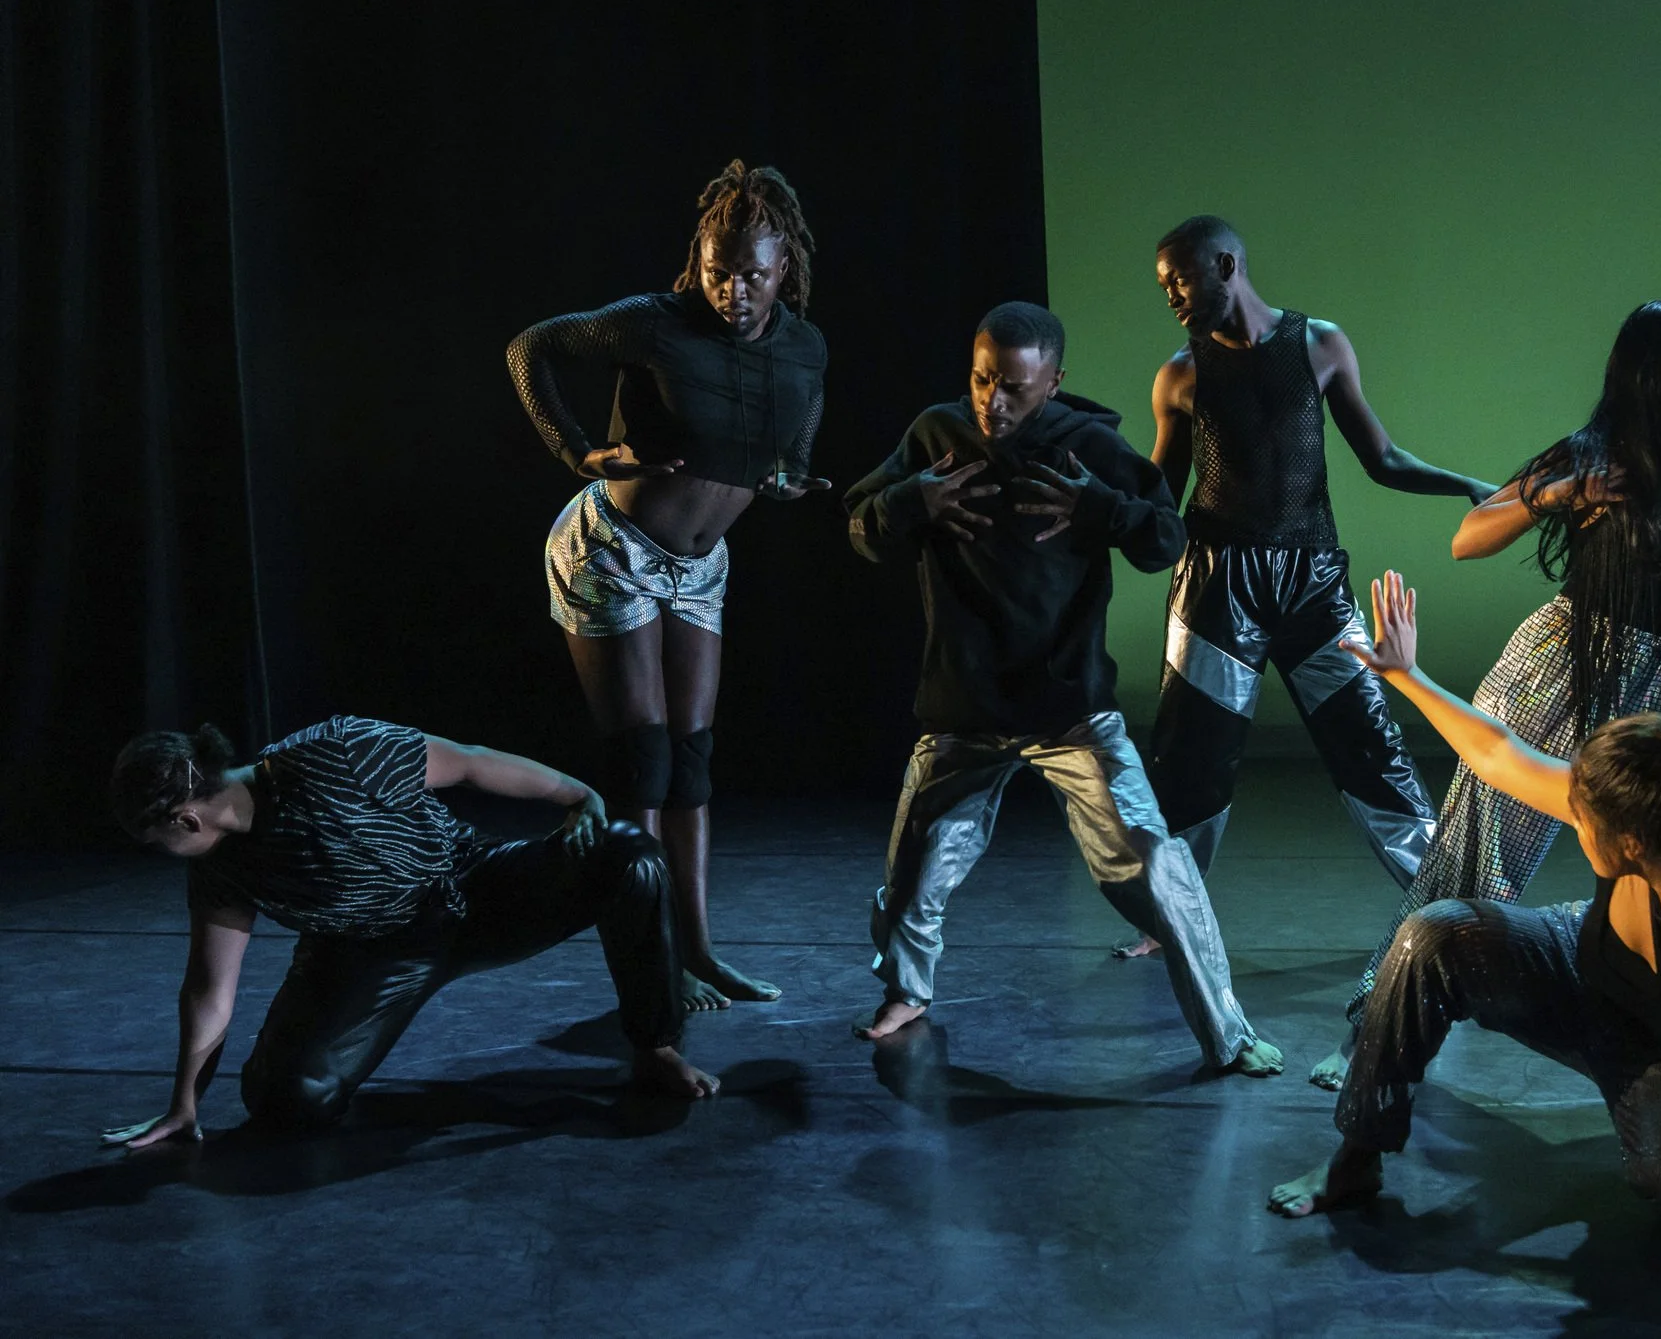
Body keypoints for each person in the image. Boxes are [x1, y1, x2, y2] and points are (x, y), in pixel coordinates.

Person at [1269, 573, 1661, 1304]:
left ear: (1629, 842)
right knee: (1432, 934)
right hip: (1588, 970)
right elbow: (1498, 752)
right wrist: (1407, 675)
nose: (1574, 821)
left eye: (1586, 820)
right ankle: (1356, 1160)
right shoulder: (1645, 813)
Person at [1316, 300, 1661, 1090]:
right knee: (1476, 860)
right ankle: (1374, 1030)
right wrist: (1567, 491)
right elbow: (1469, 537)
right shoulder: (1593, 457)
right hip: (1569, 667)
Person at [842, 301, 1282, 1076]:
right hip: (965, 709)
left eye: (1014, 387)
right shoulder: (937, 435)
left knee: (1154, 864)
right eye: (982, 380)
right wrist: (914, 501)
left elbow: (1165, 537)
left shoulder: (1087, 444)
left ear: (1053, 382)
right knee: (912, 874)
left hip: (1071, 709)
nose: (993, 401)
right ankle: (906, 991)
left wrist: (1098, 508)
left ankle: (1230, 1033)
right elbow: (860, 526)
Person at [1121, 215, 1496, 959]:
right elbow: (1157, 500)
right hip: (1218, 583)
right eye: (1164, 287)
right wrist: (1095, 509)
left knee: (1370, 741)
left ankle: (1448, 905)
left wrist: (1468, 485)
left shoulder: (1319, 344)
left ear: (1226, 266)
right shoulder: (1181, 375)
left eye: (1181, 280)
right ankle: (1166, 919)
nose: (1172, 297)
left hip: (1312, 581)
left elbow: (1382, 458)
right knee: (1191, 757)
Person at [505, 159, 828, 1009]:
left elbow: (803, 406)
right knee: (643, 762)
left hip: (698, 569)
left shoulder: (803, 346)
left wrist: (790, 470)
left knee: (691, 761)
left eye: (751, 275)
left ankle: (701, 951)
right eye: (719, 272)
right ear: (700, 262)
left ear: (784, 269)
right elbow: (530, 349)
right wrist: (579, 451)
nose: (732, 291)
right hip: (613, 549)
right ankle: (651, 960)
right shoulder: (657, 323)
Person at [100, 716, 714, 1149]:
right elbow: (210, 989)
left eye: (160, 843)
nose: (167, 855)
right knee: (286, 1101)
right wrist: (184, 1104)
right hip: (367, 949)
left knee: (630, 857)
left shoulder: (336, 751)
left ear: (186, 819)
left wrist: (578, 796)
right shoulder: (220, 869)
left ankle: (656, 1047)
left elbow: (469, 763)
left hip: (471, 888)